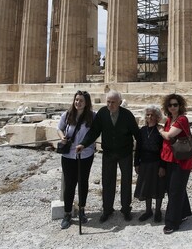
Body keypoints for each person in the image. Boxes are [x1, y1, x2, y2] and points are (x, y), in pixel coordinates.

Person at [77, 90, 140, 223]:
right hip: (109, 153)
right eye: (108, 102)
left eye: (113, 102)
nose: (110, 105)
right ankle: (107, 209)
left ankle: (125, 209)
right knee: (107, 181)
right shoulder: (102, 113)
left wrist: (140, 157)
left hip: (125, 153)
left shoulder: (127, 115)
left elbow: (137, 134)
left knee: (126, 181)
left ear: (119, 103)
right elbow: (94, 131)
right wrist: (83, 144)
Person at [57, 90, 96, 230]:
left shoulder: (92, 116)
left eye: (81, 101)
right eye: (76, 100)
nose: (78, 103)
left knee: (83, 182)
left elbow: (96, 132)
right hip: (68, 155)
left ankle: (82, 210)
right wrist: (62, 137)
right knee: (69, 184)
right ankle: (67, 213)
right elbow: (60, 129)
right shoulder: (67, 115)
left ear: (86, 103)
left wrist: (85, 144)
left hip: (85, 154)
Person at [157, 94, 192, 234]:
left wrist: (160, 130)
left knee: (175, 190)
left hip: (181, 160)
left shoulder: (182, 119)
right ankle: (183, 213)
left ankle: (172, 223)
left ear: (180, 106)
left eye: (175, 105)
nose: (172, 107)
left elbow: (169, 135)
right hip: (170, 159)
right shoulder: (170, 119)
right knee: (177, 188)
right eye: (170, 105)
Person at [134, 105, 166, 223]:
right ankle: (148, 211)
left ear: (157, 117)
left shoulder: (160, 130)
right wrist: (136, 163)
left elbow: (164, 149)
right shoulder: (142, 130)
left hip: (157, 163)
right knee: (146, 187)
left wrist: (163, 166)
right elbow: (138, 148)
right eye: (148, 114)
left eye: (152, 115)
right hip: (145, 163)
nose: (150, 117)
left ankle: (158, 211)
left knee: (158, 187)